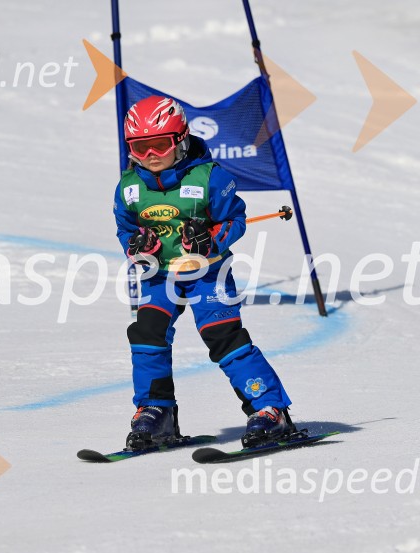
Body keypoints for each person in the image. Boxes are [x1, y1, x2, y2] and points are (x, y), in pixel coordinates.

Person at [112, 95, 297, 450]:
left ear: (180, 139)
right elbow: (125, 228)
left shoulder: (211, 178)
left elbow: (236, 220)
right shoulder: (129, 187)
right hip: (158, 276)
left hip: (208, 272)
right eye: (139, 147)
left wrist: (209, 238)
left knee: (222, 335)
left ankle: (269, 408)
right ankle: (156, 410)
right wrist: (137, 245)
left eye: (159, 144)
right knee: (146, 333)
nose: (150, 155)